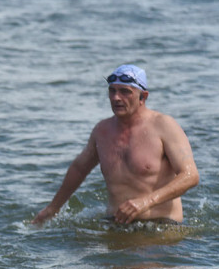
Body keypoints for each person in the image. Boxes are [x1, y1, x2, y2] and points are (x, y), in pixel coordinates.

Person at [32, 64, 199, 226]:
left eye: (125, 92)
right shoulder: (102, 130)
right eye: (112, 91)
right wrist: (53, 208)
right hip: (115, 225)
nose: (116, 98)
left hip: (160, 226)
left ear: (143, 96)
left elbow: (190, 176)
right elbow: (79, 168)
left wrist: (147, 202)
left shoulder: (164, 125)